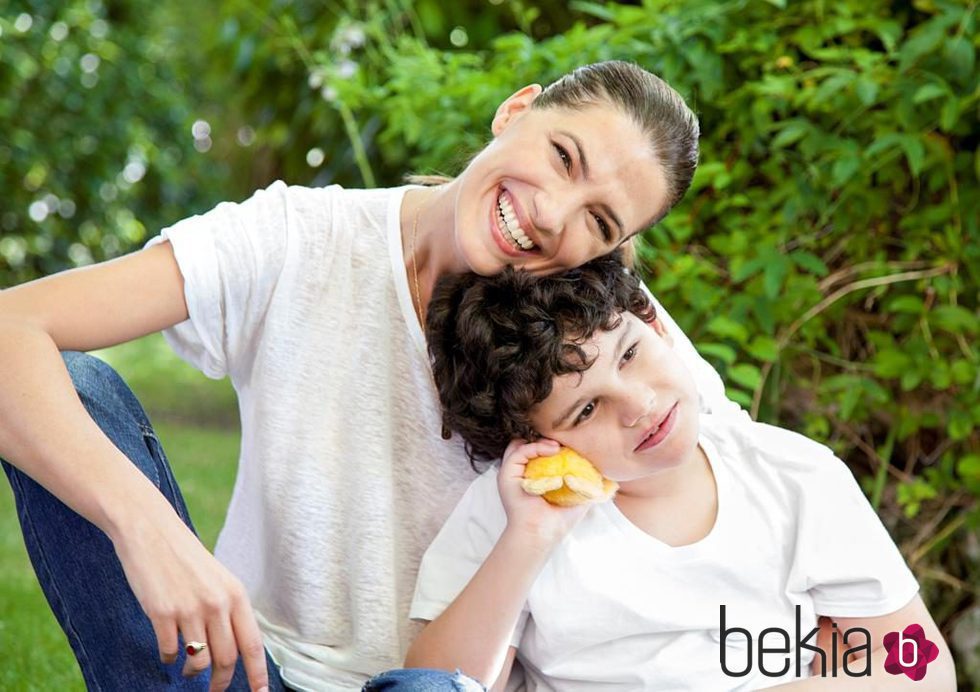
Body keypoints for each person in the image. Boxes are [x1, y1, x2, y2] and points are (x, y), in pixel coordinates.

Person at [0, 61, 742, 691]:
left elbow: (740, 492)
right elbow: (11, 329)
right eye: (562, 156)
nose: (552, 213)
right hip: (235, 667)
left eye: (600, 223)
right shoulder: (297, 239)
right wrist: (147, 527)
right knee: (75, 390)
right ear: (516, 109)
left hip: (436, 684)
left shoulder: (612, 337)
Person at [404, 254, 956, 690]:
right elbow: (439, 686)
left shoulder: (795, 477)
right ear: (537, 443)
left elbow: (922, 666)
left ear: (655, 326)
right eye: (587, 410)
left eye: (628, 356)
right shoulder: (511, 517)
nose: (638, 403)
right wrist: (526, 541)